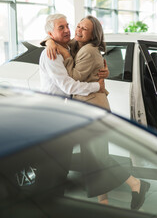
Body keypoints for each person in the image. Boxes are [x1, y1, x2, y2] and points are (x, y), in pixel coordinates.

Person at [42, 14, 150, 210]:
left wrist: (65, 55)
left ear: (93, 35)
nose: (75, 30)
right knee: (92, 158)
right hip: (80, 108)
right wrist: (50, 42)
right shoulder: (72, 47)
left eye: (84, 28)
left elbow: (72, 79)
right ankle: (104, 203)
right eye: (77, 26)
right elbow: (60, 45)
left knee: (97, 156)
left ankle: (136, 184)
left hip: (92, 107)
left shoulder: (85, 51)